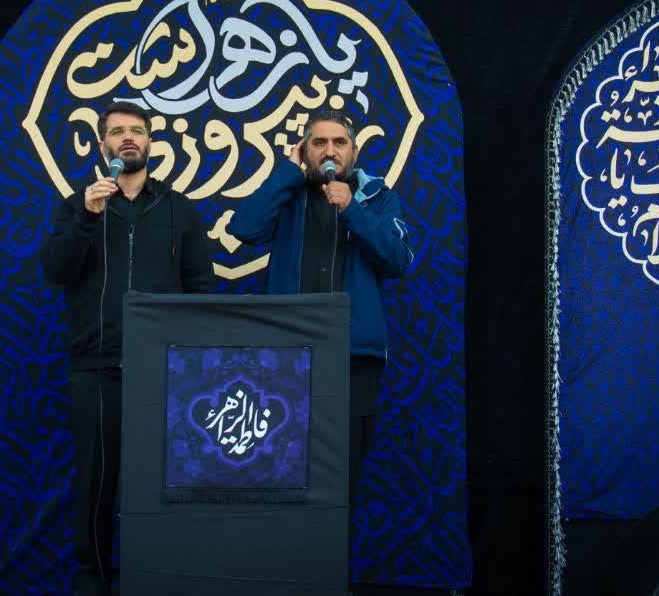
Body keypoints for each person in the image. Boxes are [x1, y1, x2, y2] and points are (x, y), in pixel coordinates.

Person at [228, 107, 415, 582]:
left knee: (341, 477)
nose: (329, 151)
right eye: (318, 143)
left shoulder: (377, 198)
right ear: (304, 151)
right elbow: (243, 228)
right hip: (286, 361)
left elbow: (398, 260)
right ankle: (280, 577)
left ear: (354, 152)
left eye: (339, 143)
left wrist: (352, 209)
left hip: (354, 361)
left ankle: (328, 578)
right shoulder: (289, 195)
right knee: (280, 471)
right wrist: (287, 174)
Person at [41, 101, 216, 596]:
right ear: (103, 146)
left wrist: (192, 357)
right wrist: (87, 218)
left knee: (165, 479)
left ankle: (160, 578)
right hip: (97, 367)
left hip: (166, 369)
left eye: (136, 130)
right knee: (96, 481)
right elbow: (56, 271)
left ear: (151, 142)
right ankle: (93, 578)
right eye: (117, 132)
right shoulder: (79, 205)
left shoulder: (179, 208)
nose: (128, 138)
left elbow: (200, 285)